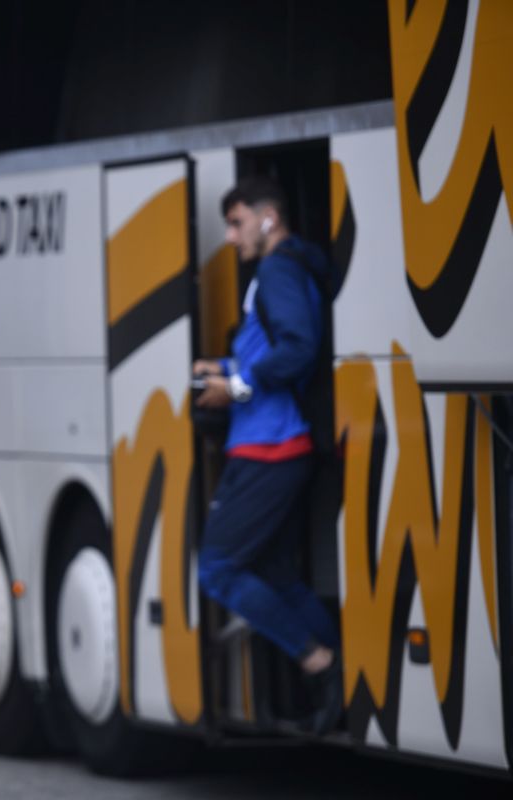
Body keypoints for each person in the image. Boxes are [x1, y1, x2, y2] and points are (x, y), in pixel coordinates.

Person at [193, 176, 340, 729]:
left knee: (220, 570)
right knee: (275, 573)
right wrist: (225, 370)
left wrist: (235, 386)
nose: (231, 237)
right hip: (274, 441)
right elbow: (274, 351)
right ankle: (343, 677)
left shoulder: (276, 269)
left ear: (269, 218)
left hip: (269, 446)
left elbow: (297, 348)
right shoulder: (286, 267)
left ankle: (320, 662)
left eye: (237, 223)